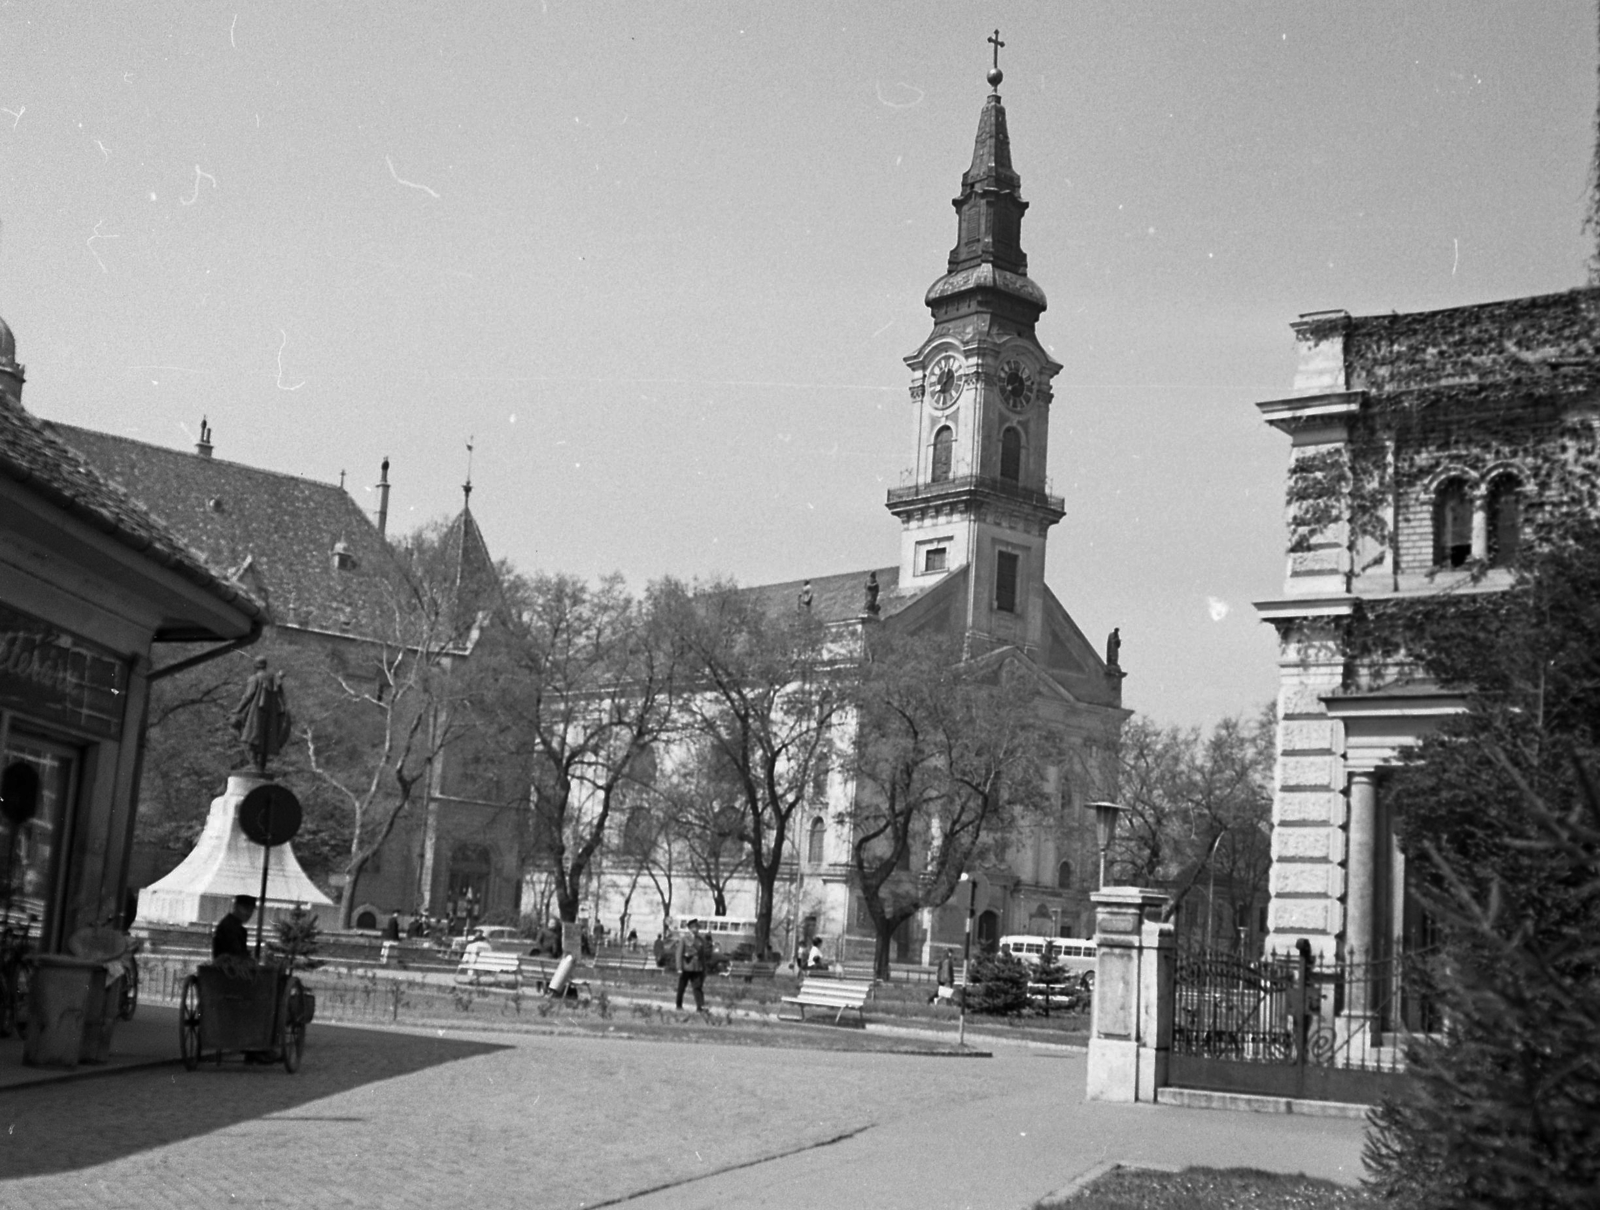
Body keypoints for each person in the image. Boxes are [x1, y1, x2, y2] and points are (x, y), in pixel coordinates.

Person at [674, 918, 714, 1011]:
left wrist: (704, 969)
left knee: (697, 987)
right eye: (694, 927)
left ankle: (700, 1006)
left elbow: (702, 956)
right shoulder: (684, 939)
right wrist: (679, 967)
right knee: (681, 987)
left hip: (697, 968)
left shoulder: (700, 940)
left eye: (697, 927)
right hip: (686, 967)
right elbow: (679, 953)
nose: (696, 929)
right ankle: (678, 1005)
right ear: (690, 928)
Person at [212, 894, 256, 962]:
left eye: (251, 909)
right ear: (236, 906)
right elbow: (235, 954)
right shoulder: (228, 927)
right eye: (245, 908)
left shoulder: (241, 930)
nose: (248, 913)